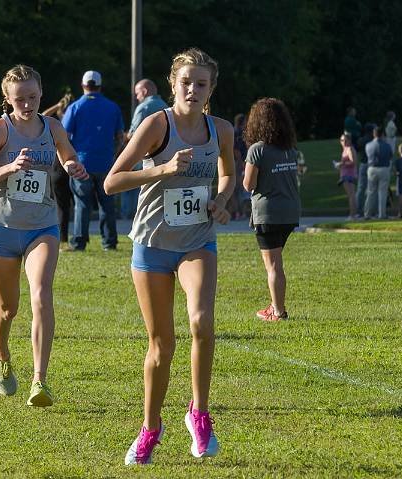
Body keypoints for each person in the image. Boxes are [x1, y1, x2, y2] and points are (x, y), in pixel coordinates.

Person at [104, 48, 234, 464]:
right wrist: (161, 169)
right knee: (161, 345)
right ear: (172, 85)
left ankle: (198, 412)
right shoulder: (156, 125)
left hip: (197, 240)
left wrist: (221, 198)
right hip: (152, 244)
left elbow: (228, 173)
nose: (193, 90)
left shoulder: (222, 131)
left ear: (212, 88)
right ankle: (150, 428)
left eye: (201, 84)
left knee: (201, 322)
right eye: (186, 83)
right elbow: (112, 182)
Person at [0, 65, 88, 407]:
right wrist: (7, 168)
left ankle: (40, 380)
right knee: (8, 308)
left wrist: (71, 166)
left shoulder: (52, 127)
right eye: (20, 99)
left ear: (40, 95)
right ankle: (0, 352)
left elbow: (67, 155)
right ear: (7, 99)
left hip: (42, 226)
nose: (28, 104)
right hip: (0, 228)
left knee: (41, 295)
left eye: (33, 97)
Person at [242, 98, 301, 322]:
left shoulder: (258, 150)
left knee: (273, 265)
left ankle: (278, 312)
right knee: (276, 262)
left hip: (268, 213)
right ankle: (275, 305)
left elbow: (249, 185)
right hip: (290, 211)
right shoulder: (290, 150)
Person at [63, 70, 124, 251]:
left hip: (82, 163)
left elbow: (64, 136)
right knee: (107, 204)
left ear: (83, 86)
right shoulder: (112, 107)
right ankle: (109, 242)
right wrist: (113, 155)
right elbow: (120, 137)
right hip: (105, 163)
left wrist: (72, 158)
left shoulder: (74, 107)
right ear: (99, 86)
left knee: (82, 204)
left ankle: (79, 242)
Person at [123, 79, 169, 220]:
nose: (137, 97)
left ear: (144, 91)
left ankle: (129, 216)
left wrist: (124, 135)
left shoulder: (143, 107)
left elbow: (134, 135)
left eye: (137, 93)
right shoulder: (165, 107)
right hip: (164, 156)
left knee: (129, 186)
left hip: (143, 157)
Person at [41, 91, 74, 250]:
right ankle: (68, 237)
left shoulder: (56, 124)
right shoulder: (57, 123)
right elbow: (43, 116)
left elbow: (43, 114)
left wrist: (57, 105)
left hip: (61, 165)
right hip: (65, 164)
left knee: (61, 205)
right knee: (70, 205)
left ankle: (63, 238)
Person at [363, 126, 393, 219]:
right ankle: (382, 214)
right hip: (384, 168)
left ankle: (367, 214)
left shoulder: (368, 145)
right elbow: (390, 156)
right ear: (382, 134)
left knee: (371, 192)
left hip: (372, 169)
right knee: (382, 193)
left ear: (374, 134)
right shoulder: (387, 145)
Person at [355, 123, 375, 217]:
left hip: (363, 164)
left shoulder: (361, 140)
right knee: (371, 189)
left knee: (360, 188)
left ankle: (358, 210)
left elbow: (356, 150)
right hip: (372, 165)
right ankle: (369, 210)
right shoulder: (373, 140)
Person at [337, 133, 358, 218]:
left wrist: (342, 164)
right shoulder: (345, 149)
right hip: (346, 174)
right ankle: (353, 214)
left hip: (348, 175)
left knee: (351, 195)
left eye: (346, 140)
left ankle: (352, 215)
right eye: (342, 140)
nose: (344, 142)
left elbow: (353, 162)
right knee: (351, 195)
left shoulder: (349, 148)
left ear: (349, 140)